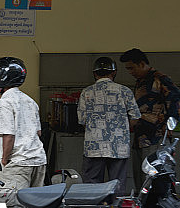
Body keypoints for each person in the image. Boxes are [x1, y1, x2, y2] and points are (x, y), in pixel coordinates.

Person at [0, 57, 47, 208]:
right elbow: (37, 133)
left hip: (18, 164)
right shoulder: (30, 101)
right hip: (38, 161)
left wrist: (4, 159)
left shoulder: (4, 103)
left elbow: (8, 135)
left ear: (4, 76)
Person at [77, 57, 140, 194]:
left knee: (91, 185)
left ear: (95, 73)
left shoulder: (86, 92)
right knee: (117, 184)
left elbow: (82, 121)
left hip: (94, 147)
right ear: (114, 73)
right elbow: (135, 117)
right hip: (119, 146)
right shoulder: (125, 91)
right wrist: (122, 131)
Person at [120, 48, 180, 189]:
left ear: (141, 64)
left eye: (131, 68)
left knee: (153, 177)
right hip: (140, 136)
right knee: (140, 178)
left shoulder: (160, 79)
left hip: (156, 137)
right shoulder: (141, 81)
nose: (130, 72)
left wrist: (167, 124)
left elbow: (176, 101)